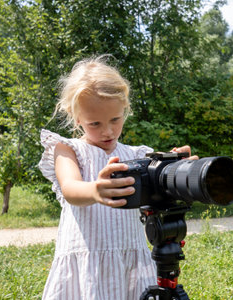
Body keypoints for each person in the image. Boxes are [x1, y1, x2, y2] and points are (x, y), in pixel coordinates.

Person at [38, 55, 196, 299]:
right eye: (95, 123)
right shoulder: (67, 149)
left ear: (125, 108)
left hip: (130, 262)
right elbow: (70, 189)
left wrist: (178, 168)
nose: (108, 131)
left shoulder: (137, 154)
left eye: (115, 119)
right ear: (76, 116)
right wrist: (95, 190)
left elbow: (159, 182)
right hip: (88, 262)